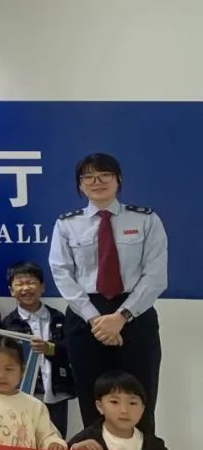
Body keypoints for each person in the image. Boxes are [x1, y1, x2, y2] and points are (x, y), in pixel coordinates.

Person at [49, 152, 167, 434]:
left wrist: (121, 316)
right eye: (88, 177)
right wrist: (95, 319)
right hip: (85, 318)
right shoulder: (67, 224)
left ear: (119, 179)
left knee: (139, 396)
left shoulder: (146, 220)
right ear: (80, 185)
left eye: (104, 175)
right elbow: (62, 274)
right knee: (92, 399)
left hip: (135, 315)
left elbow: (155, 276)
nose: (97, 181)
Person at [2, 261, 75, 437]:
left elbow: (71, 351)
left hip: (56, 392)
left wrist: (49, 348)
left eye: (31, 282)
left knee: (57, 438)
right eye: (20, 284)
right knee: (25, 438)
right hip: (24, 393)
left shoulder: (58, 317)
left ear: (42, 287)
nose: (26, 288)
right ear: (11, 291)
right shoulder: (8, 323)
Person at [0, 336, 67, 450]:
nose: (1, 375)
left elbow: (47, 435)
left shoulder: (35, 405)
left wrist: (53, 443)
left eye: (9, 369)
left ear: (22, 370)